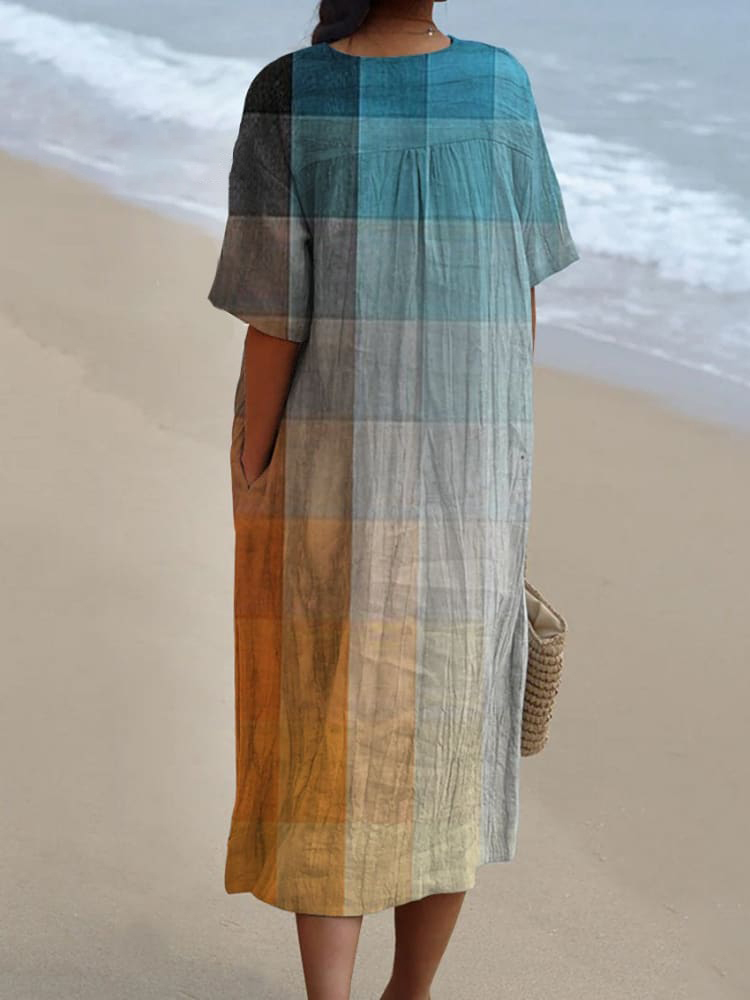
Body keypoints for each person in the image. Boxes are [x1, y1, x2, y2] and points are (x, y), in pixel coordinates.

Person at [207, 0, 580, 996]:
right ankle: (407, 994)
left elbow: (274, 317)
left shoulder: (292, 91)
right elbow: (524, 293)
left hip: (333, 473)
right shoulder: (498, 84)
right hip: (471, 475)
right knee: (448, 744)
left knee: (330, 734)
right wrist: (498, 450)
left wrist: (252, 463)